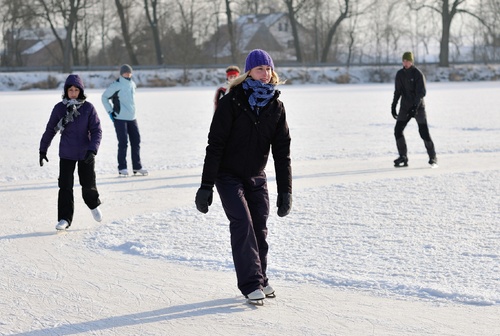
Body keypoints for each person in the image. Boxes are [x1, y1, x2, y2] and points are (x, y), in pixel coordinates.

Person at [195, 49, 292, 305]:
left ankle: (260, 277)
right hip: (228, 176)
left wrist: (286, 191)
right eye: (260, 69)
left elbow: (282, 153)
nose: (265, 74)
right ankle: (250, 284)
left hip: (256, 177)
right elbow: (214, 145)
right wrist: (206, 186)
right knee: (243, 224)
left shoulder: (275, 106)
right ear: (249, 72)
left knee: (259, 227)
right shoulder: (232, 102)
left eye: (268, 69)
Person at [39, 74, 103, 230]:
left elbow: (96, 130)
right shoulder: (59, 108)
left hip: (85, 153)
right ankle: (64, 219)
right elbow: (50, 129)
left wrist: (92, 150)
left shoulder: (88, 108)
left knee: (88, 185)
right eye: (70, 90)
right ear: (66, 91)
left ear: (80, 91)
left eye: (76, 90)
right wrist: (43, 149)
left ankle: (93, 204)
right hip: (67, 153)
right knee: (65, 186)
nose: (73, 93)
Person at [391, 51, 437, 167]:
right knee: (398, 131)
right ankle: (403, 156)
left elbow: (421, 93)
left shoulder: (418, 74)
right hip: (405, 107)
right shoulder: (400, 74)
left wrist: (415, 107)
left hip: (418, 108)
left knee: (423, 132)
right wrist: (393, 105)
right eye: (404, 61)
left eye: (407, 61)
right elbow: (398, 91)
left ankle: (433, 157)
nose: (405, 63)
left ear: (412, 61)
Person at [101, 64, 148, 176]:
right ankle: (122, 167)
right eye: (126, 72)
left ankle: (137, 166)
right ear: (121, 73)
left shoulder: (132, 84)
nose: (128, 74)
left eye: (129, 72)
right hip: (120, 118)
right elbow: (104, 97)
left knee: (136, 141)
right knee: (123, 143)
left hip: (132, 118)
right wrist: (110, 112)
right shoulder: (116, 85)